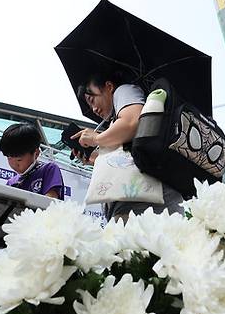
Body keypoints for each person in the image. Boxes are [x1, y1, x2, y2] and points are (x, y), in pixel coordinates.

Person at [71, 71, 183, 220]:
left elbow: (131, 123)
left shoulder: (124, 90)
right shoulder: (115, 119)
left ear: (109, 86)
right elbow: (126, 158)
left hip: (143, 204)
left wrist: (96, 138)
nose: (94, 109)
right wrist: (94, 158)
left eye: (92, 100)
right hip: (137, 203)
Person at [0, 123, 64, 199]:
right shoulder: (11, 183)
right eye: (9, 158)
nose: (14, 164)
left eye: (19, 160)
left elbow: (50, 201)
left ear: (36, 153)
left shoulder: (49, 170)